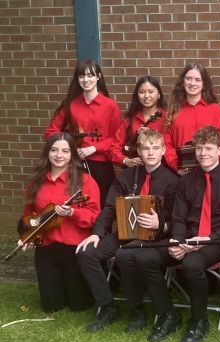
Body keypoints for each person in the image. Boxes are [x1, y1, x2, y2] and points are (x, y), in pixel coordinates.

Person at [143, 126, 220, 342]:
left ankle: (199, 321)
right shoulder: (186, 181)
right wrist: (177, 241)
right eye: (199, 149)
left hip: (215, 241)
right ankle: (168, 314)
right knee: (146, 258)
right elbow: (178, 217)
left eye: (208, 148)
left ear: (219, 150)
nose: (203, 153)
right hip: (186, 238)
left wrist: (205, 241)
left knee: (191, 263)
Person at [75, 130, 179, 333]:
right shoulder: (126, 176)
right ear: (138, 151)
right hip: (126, 232)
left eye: (155, 148)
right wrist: (97, 233)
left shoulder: (173, 181)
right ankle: (107, 306)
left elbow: (179, 218)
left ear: (163, 151)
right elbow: (109, 208)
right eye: (145, 148)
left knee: (125, 255)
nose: (150, 153)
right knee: (86, 253)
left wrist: (162, 223)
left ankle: (137, 309)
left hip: (156, 237)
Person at [18, 133, 100, 312]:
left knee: (79, 305)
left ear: (72, 154)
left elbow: (95, 216)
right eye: (54, 150)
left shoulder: (85, 180)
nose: (59, 155)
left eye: (65, 151)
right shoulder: (36, 181)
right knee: (51, 306)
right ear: (48, 152)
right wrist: (27, 237)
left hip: (75, 248)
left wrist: (73, 212)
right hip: (47, 247)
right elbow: (29, 215)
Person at [45, 59, 121, 208]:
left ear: (98, 77)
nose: (86, 80)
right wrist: (69, 147)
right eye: (81, 76)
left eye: (90, 75)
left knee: (103, 204)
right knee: (77, 204)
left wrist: (93, 148)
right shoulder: (70, 104)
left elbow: (117, 138)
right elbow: (51, 132)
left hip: (101, 164)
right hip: (75, 163)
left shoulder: (110, 106)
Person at [165, 63, 220, 172]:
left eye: (198, 80)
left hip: (210, 171)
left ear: (204, 85)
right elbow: (167, 144)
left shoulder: (216, 110)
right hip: (181, 172)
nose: (192, 83)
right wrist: (176, 165)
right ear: (183, 82)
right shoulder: (173, 111)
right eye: (188, 79)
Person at [111, 76, 177, 171]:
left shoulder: (168, 118)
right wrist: (126, 161)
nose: (146, 96)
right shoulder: (130, 120)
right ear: (137, 95)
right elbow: (114, 148)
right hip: (136, 172)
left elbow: (172, 148)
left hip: (164, 171)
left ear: (159, 94)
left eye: (151, 92)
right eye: (142, 92)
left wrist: (151, 136)